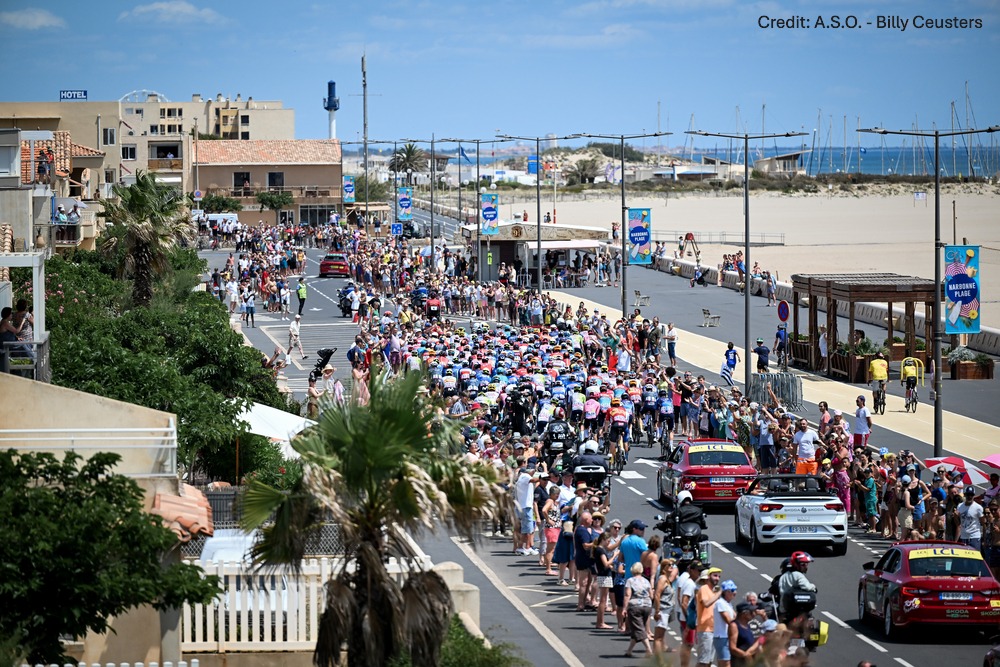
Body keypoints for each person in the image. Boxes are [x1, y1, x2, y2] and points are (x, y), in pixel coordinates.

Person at [623, 562, 654, 657]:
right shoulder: (646, 581)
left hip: (635, 606)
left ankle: (649, 650)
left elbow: (627, 595)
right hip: (647, 606)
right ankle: (629, 651)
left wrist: (624, 608)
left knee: (639, 629)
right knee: (637, 628)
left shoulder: (630, 581)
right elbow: (651, 595)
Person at [695, 567, 724, 667]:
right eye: (715, 575)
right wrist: (719, 593)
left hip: (714, 630)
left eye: (719, 576)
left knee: (709, 661)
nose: (717, 578)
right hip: (705, 630)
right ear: (708, 577)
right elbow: (706, 603)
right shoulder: (704, 589)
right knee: (703, 661)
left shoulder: (713, 592)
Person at [778, 551, 816, 622]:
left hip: (783, 609)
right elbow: (807, 587)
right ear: (796, 564)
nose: (806, 567)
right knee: (809, 619)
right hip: (794, 609)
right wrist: (814, 587)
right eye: (803, 564)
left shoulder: (783, 576)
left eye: (806, 564)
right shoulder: (798, 575)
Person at [652, 557, 678, 655]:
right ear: (664, 568)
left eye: (672, 565)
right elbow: (657, 595)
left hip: (666, 610)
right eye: (669, 565)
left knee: (660, 635)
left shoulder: (666, 579)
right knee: (658, 637)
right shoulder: (662, 579)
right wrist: (657, 611)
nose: (672, 566)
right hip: (662, 610)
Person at [712, 580, 738, 667]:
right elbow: (728, 620)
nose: (735, 592)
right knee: (726, 663)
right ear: (726, 592)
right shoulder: (720, 603)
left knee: (724, 663)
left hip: (727, 637)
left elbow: (736, 617)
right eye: (733, 590)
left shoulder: (728, 604)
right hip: (722, 637)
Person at [729, 601, 763, 667]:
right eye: (751, 612)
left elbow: (758, 639)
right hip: (739, 662)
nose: (754, 614)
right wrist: (745, 655)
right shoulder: (734, 626)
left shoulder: (748, 625)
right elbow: (732, 648)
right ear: (744, 614)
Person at [957, 485, 985, 550]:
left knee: (975, 557)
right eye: (968, 495)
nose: (969, 497)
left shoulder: (978, 507)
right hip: (964, 536)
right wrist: (956, 516)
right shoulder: (960, 506)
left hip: (974, 536)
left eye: (971, 495)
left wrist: (984, 538)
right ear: (965, 495)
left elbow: (983, 523)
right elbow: (958, 524)